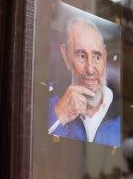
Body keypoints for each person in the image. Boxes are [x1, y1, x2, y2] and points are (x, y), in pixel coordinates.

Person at [48, 17, 120, 147]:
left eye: (97, 57)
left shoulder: (122, 111)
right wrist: (58, 116)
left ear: (104, 57)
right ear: (66, 57)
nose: (91, 69)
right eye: (81, 56)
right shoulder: (45, 99)